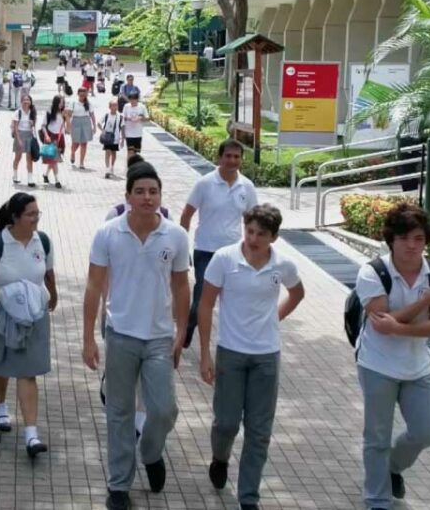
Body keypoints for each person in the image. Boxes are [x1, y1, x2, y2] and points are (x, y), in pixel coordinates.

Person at [83, 161, 191, 510]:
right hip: (120, 335)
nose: (148, 198)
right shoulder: (108, 233)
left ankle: (151, 452)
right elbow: (94, 284)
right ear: (128, 196)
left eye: (154, 192)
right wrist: (88, 337)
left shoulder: (175, 235)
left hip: (159, 337)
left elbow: (181, 286)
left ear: (161, 195)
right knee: (119, 412)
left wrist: (181, 332)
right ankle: (118, 486)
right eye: (140, 192)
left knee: (163, 409)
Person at [196, 204, 305, 510]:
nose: (253, 238)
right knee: (227, 423)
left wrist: (274, 319)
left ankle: (248, 497)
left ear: (274, 237)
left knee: (259, 431)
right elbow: (205, 305)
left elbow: (297, 294)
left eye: (261, 234)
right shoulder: (224, 259)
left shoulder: (283, 265)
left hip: (266, 357)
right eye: (250, 230)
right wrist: (205, 354)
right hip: (231, 353)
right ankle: (220, 457)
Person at [354, 203, 430, 510]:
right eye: (404, 238)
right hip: (376, 364)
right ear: (391, 240)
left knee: (428, 431)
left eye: (419, 239)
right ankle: (377, 500)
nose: (412, 246)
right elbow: (382, 324)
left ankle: (393, 467)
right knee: (377, 436)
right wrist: (424, 302)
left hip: (417, 367)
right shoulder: (372, 272)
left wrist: (400, 326)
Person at [0, 193, 58, 459]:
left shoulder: (41, 241)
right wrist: (8, 293)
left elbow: (48, 272)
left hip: (32, 314)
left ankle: (31, 434)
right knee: (0, 364)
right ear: (15, 217)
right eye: (30, 214)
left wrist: (52, 295)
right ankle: (0, 406)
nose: (36, 219)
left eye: (37, 214)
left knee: (27, 370)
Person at [180, 139, 258, 347]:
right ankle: (188, 327)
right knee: (202, 299)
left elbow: (253, 221)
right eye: (228, 156)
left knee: (233, 300)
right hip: (205, 250)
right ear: (219, 158)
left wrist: (254, 251)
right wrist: (181, 246)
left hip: (234, 254)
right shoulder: (205, 183)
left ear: (241, 159)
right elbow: (187, 214)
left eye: (236, 157)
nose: (232, 161)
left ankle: (232, 342)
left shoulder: (247, 187)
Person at [40, 95, 67, 189]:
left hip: (60, 138)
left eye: (63, 102)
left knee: (53, 160)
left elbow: (65, 128)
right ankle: (57, 180)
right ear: (56, 102)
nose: (61, 104)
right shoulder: (50, 112)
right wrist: (46, 136)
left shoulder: (63, 113)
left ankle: (45, 175)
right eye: (60, 102)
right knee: (53, 160)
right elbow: (43, 126)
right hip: (51, 137)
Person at [11, 94, 38, 187]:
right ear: (21, 101)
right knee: (18, 157)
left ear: (30, 102)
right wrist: (18, 140)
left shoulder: (32, 112)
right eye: (24, 100)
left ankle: (30, 179)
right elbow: (15, 127)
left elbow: (34, 126)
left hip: (29, 135)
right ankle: (15, 175)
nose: (26, 101)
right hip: (20, 134)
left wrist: (32, 124)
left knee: (29, 157)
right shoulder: (18, 112)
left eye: (28, 100)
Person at [69, 87, 98, 170]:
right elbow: (69, 114)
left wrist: (94, 126)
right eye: (80, 94)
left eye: (84, 94)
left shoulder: (89, 104)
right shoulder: (73, 103)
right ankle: (73, 152)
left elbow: (92, 115)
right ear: (78, 94)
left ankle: (81, 162)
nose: (82, 96)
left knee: (84, 143)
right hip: (76, 122)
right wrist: (67, 125)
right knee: (76, 142)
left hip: (86, 122)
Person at [100, 99, 125, 179]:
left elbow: (123, 128)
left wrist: (123, 139)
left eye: (116, 105)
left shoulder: (120, 117)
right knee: (107, 152)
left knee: (113, 153)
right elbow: (99, 123)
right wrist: (103, 131)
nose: (115, 107)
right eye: (113, 105)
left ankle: (112, 167)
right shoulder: (106, 115)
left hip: (116, 138)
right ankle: (107, 169)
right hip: (107, 137)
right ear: (109, 107)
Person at [121, 91, 148, 157]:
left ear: (137, 99)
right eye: (130, 99)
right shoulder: (126, 106)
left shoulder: (142, 107)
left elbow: (147, 118)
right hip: (129, 133)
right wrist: (129, 119)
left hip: (138, 134)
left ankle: (134, 165)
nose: (132, 101)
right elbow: (122, 118)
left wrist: (140, 118)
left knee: (136, 153)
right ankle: (129, 166)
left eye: (134, 99)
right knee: (130, 151)